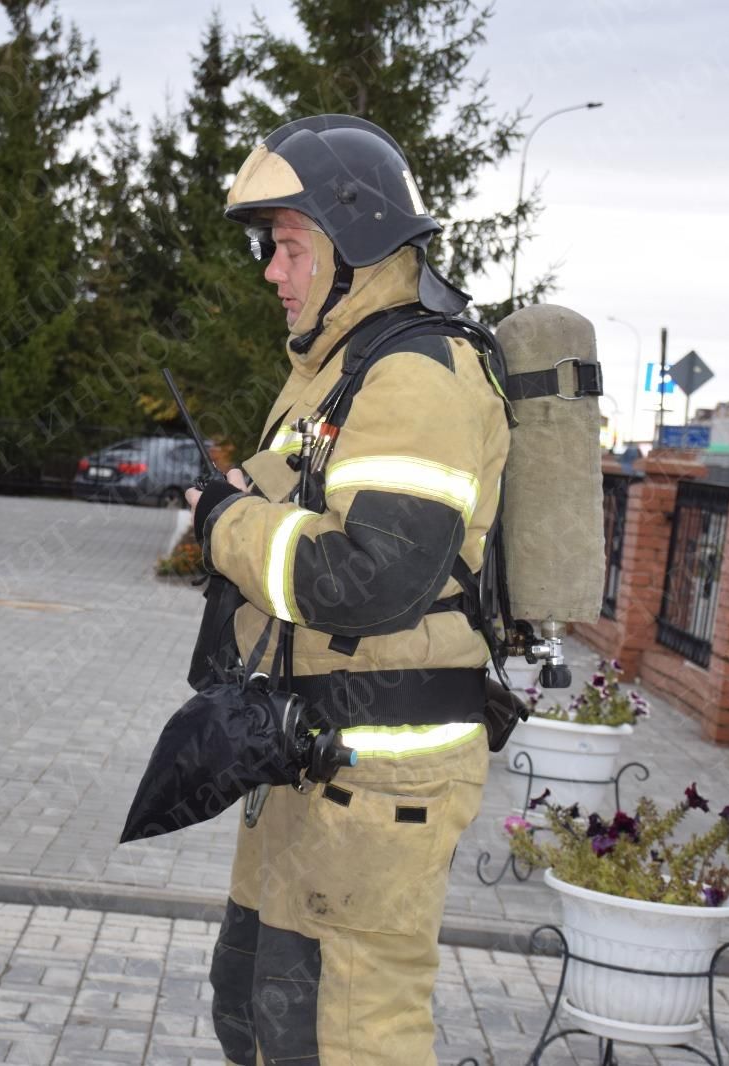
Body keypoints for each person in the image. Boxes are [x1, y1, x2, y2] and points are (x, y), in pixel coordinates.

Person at [185, 116, 512, 1065]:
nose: (270, 272)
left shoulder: (416, 378)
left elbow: (368, 576)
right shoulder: (338, 369)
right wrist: (239, 504)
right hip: (308, 754)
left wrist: (224, 527)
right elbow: (298, 506)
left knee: (345, 1037)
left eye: (287, 246)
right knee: (256, 1012)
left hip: (382, 776)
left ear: (350, 240)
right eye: (269, 247)